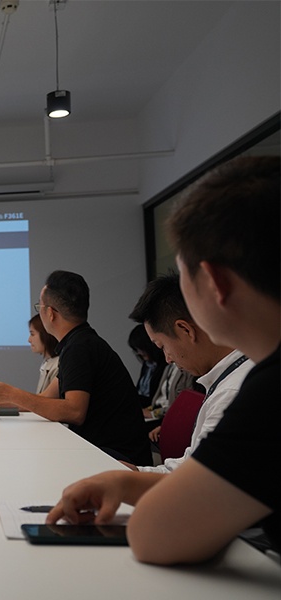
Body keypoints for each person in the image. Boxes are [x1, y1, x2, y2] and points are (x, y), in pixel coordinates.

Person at [47, 156, 279, 564]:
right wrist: (127, 482)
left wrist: (130, 485)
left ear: (214, 283)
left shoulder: (264, 391)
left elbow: (156, 534)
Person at [0, 270, 151, 466]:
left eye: (39, 307)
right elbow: (46, 399)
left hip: (117, 458)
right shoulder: (80, 342)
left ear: (50, 313)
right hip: (106, 450)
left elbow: (74, 412)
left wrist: (12, 394)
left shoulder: (79, 348)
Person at [126, 272, 253, 472]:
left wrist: (132, 478)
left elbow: (200, 480)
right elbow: (193, 464)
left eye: (162, 346)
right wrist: (137, 474)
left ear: (186, 330)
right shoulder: (233, 375)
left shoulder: (231, 394)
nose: (167, 359)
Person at [128, 324, 166, 409]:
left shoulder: (164, 365)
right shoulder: (146, 365)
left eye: (139, 348)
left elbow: (155, 397)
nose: (138, 352)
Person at [28, 314, 59, 394]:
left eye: (32, 334)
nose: (29, 340)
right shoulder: (48, 363)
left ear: (45, 334)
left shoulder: (58, 365)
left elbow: (45, 399)